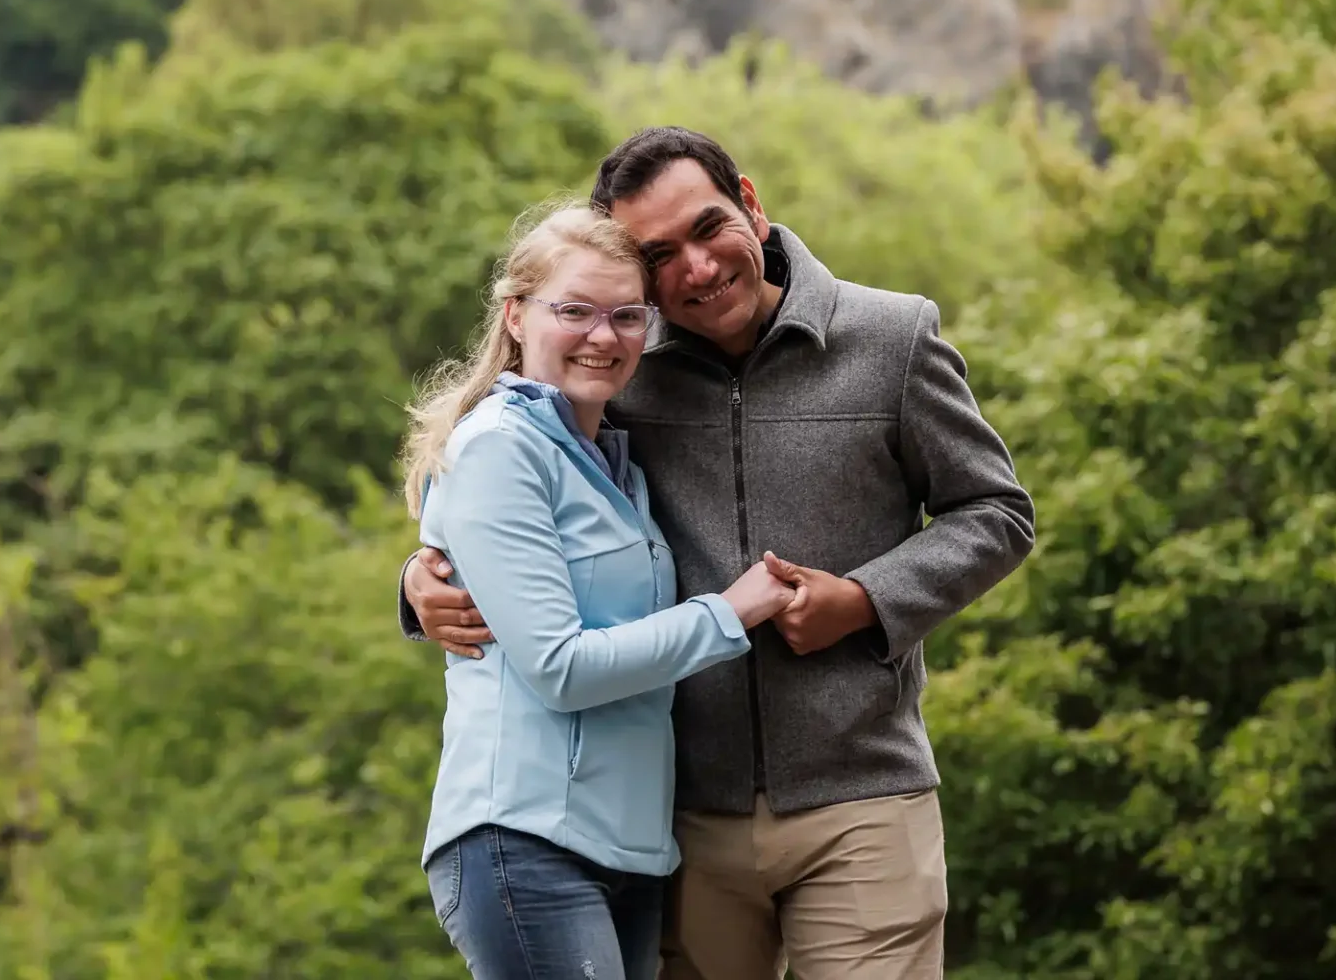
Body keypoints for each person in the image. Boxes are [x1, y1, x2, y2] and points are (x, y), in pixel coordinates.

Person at [402, 128, 1036, 980]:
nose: (697, 269)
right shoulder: (622, 364)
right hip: (678, 817)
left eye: (709, 228)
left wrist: (867, 599)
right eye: (660, 255)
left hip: (862, 794)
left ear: (751, 201)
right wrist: (420, 585)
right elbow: (504, 494)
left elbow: (995, 510)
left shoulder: (893, 339)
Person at [402, 202, 801, 980]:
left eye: (627, 316)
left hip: (627, 849)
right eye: (575, 311)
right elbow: (560, 667)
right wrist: (729, 613)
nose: (603, 336)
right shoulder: (500, 448)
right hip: (525, 839)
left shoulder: (612, 461)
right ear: (516, 315)